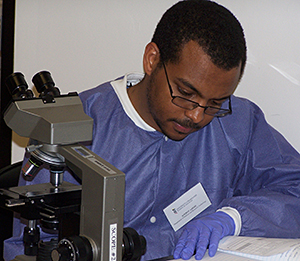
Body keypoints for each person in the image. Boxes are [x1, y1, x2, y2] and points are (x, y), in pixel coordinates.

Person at [4, 0, 300, 260]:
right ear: (152, 59)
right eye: (185, 93)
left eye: (215, 103)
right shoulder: (73, 126)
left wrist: (233, 218)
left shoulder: (238, 122)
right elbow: (27, 247)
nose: (196, 115)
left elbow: (294, 189)